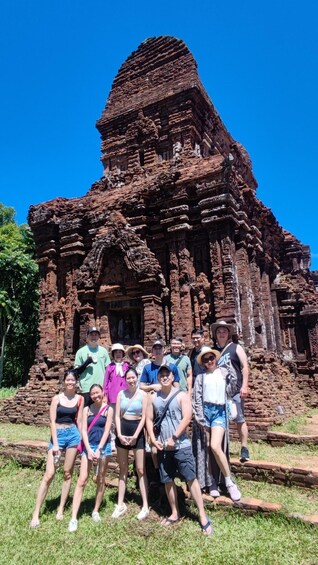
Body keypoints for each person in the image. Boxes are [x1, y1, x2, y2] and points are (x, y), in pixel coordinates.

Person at [146, 364, 213, 536]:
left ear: (173, 377)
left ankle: (202, 515)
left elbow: (187, 417)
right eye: (161, 375)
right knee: (167, 480)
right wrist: (154, 440)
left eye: (167, 374)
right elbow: (149, 419)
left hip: (180, 445)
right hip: (162, 446)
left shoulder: (182, 395)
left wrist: (174, 438)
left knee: (191, 479)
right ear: (158, 378)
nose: (164, 377)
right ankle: (174, 512)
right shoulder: (153, 398)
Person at [30, 370, 83, 528]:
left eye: (73, 380)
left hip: (73, 435)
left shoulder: (79, 399)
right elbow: (52, 421)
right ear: (64, 381)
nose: (70, 383)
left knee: (67, 473)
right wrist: (56, 444)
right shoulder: (56, 399)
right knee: (49, 474)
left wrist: (82, 440)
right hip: (57, 436)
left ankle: (61, 508)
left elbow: (79, 421)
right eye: (68, 380)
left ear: (76, 382)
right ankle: (36, 513)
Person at [192, 346, 241, 501]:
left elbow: (232, 389)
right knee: (206, 449)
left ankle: (229, 481)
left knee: (215, 446)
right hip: (205, 412)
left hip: (219, 412)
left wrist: (233, 373)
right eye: (206, 360)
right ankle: (212, 482)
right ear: (203, 363)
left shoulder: (224, 373)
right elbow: (197, 398)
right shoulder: (200, 377)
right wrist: (199, 417)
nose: (209, 362)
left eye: (211, 358)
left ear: (215, 358)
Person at [68, 384, 113, 532]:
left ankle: (95, 510)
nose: (95, 396)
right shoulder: (87, 410)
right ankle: (74, 517)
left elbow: (107, 430)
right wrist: (88, 449)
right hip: (88, 447)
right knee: (82, 480)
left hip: (103, 448)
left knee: (100, 478)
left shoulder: (108, 410)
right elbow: (83, 431)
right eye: (93, 393)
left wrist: (99, 449)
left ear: (102, 393)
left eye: (97, 393)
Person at [112, 367, 150, 520]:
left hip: (137, 432)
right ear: (125, 379)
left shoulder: (143, 395)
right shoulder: (121, 394)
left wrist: (135, 435)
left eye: (133, 377)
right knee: (123, 469)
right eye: (128, 378)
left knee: (140, 469)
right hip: (123, 430)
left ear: (137, 378)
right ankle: (120, 504)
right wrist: (119, 434)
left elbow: (144, 417)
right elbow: (116, 416)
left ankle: (145, 505)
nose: (131, 380)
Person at [212, 320, 250, 463]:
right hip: (220, 392)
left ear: (228, 334)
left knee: (239, 418)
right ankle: (222, 446)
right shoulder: (214, 351)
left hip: (235, 390)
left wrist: (244, 386)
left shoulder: (235, 347)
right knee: (221, 420)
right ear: (215, 335)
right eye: (219, 332)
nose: (221, 334)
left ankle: (244, 447)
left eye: (224, 331)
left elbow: (245, 367)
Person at [74, 327, 111, 406]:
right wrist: (86, 363)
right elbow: (76, 371)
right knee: (86, 412)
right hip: (86, 387)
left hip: (100, 387)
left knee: (101, 413)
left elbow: (108, 369)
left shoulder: (103, 351)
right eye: (91, 335)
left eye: (96, 335)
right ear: (87, 336)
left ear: (99, 337)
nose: (94, 337)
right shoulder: (80, 352)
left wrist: (107, 387)